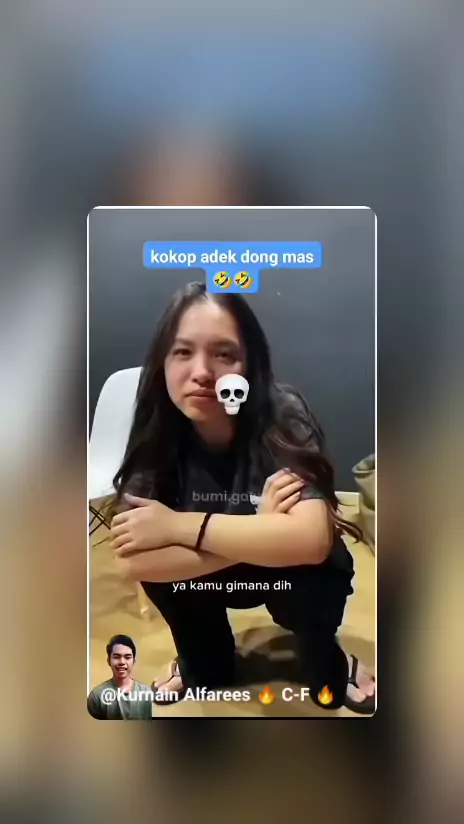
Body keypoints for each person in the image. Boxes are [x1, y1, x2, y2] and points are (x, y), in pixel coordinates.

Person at [109, 282, 376, 714]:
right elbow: (135, 561)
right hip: (212, 574)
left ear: (251, 364)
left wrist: (176, 526)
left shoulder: (281, 412)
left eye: (224, 354)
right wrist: (263, 533)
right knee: (207, 675)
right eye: (183, 352)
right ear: (163, 361)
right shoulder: (158, 423)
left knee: (315, 588)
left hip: (285, 574)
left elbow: (311, 541)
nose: (202, 371)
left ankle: (333, 661)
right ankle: (198, 660)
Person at [87, 634, 153, 720]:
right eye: (116, 657)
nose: (122, 662)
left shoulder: (146, 692)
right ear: (108, 661)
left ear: (134, 661)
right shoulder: (96, 696)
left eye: (127, 657)